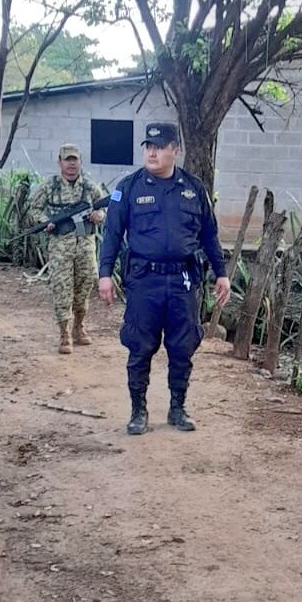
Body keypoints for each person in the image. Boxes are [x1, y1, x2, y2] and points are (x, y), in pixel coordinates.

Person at [98, 123, 231, 435]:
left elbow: (209, 234)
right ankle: (138, 411)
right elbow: (112, 234)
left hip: (184, 282)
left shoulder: (194, 188)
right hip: (145, 281)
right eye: (148, 147)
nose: (152, 152)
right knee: (140, 346)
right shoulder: (128, 187)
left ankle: (177, 408)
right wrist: (105, 274)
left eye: (159, 146)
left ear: (175, 150)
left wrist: (221, 273)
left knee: (182, 348)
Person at [29, 143, 107, 354]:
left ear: (80, 162)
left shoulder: (90, 187)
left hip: (85, 245)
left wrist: (98, 216)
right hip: (60, 246)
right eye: (67, 160)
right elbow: (34, 209)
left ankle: (78, 327)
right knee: (62, 287)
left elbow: (104, 210)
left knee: (85, 284)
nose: (71, 164)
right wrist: (47, 221)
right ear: (60, 162)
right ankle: (64, 333)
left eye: (75, 160)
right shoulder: (49, 186)